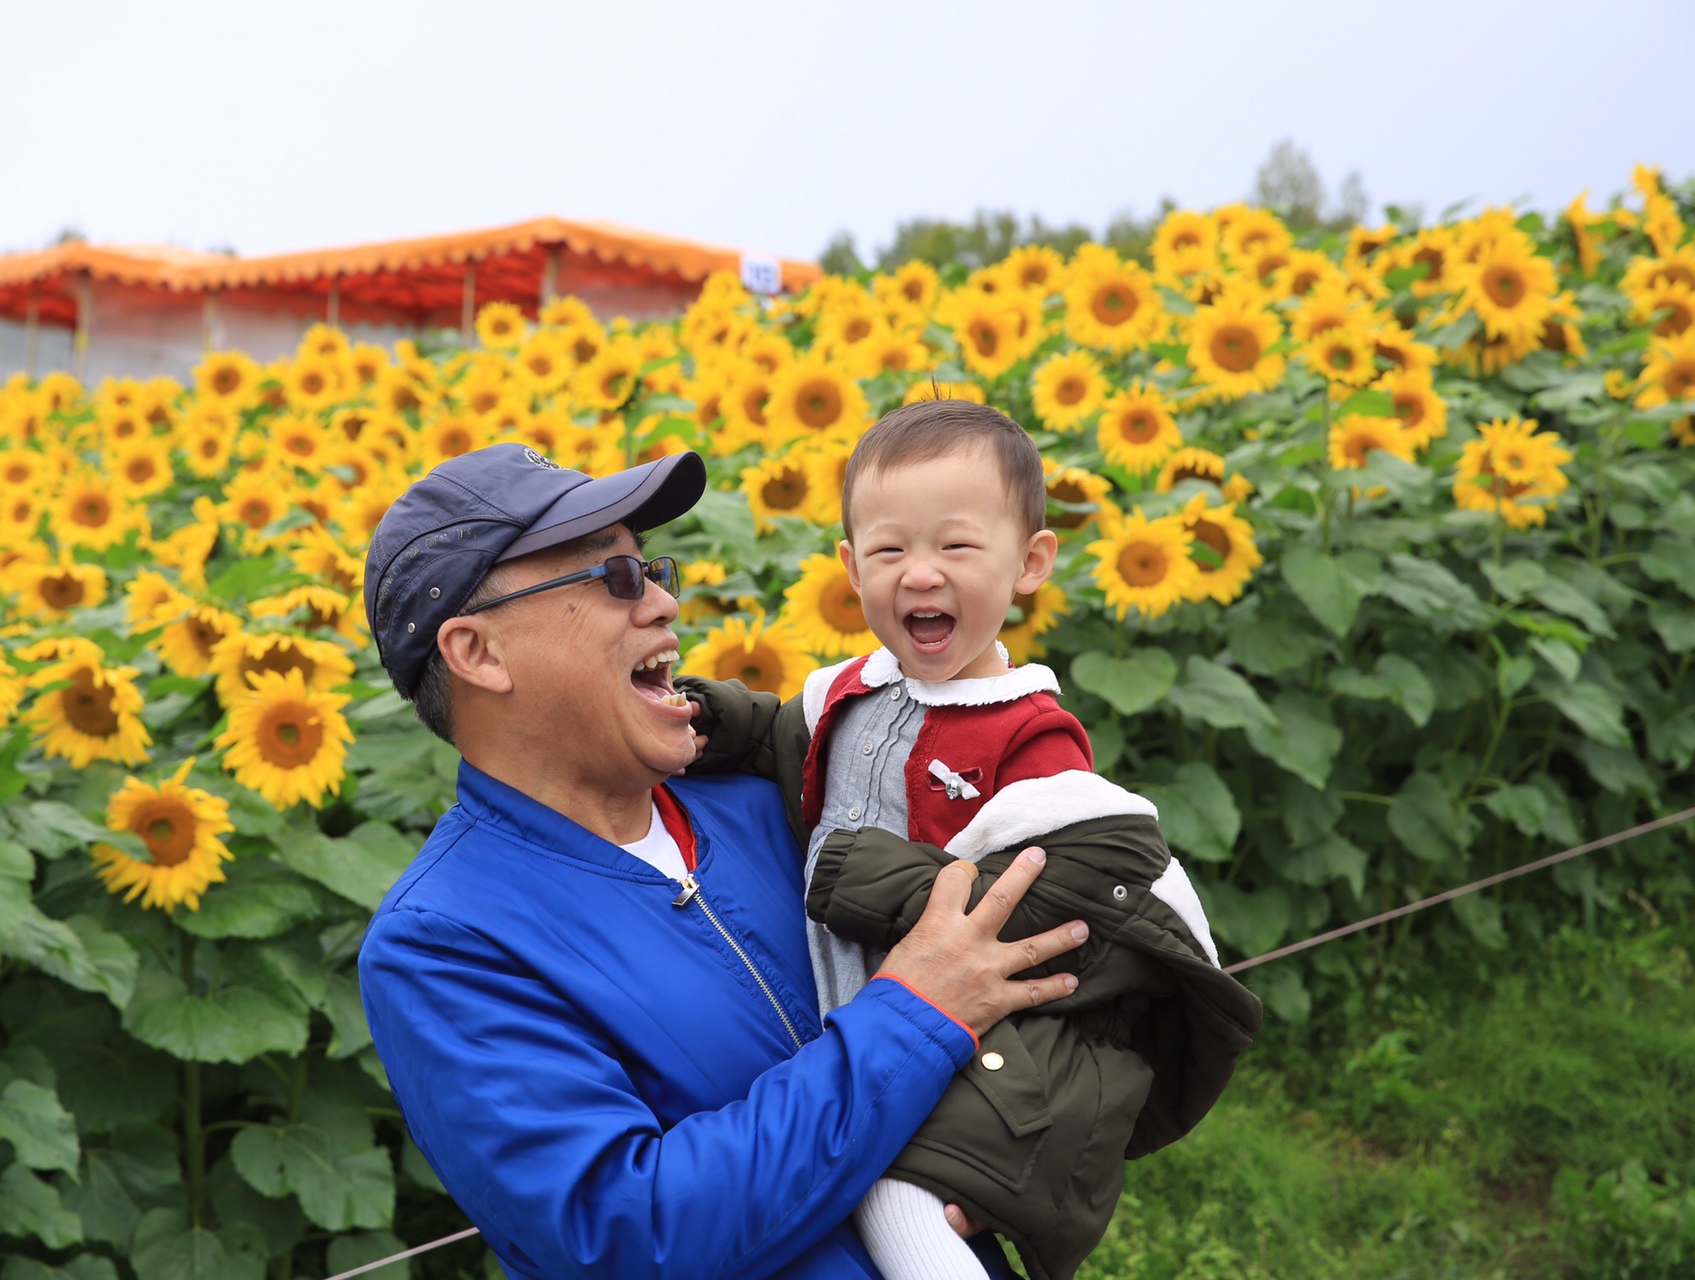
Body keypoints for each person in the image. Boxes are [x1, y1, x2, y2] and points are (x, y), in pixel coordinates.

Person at [356, 441, 1094, 1280]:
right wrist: (915, 1017)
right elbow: (630, 1232)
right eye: (614, 580)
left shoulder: (776, 801)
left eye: (653, 569)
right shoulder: (446, 941)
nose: (666, 603)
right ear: (478, 654)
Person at [677, 401, 1264, 1280]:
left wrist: (864, 877)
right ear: (848, 568)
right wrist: (719, 718)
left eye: (955, 547)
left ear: (1029, 564)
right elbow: (784, 739)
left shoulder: (1029, 732)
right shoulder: (849, 690)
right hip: (871, 1010)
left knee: (899, 1203)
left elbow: (1054, 889)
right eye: (888, 551)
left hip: (989, 1035)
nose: (920, 575)